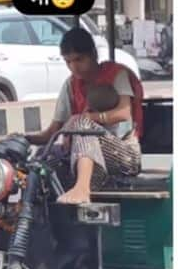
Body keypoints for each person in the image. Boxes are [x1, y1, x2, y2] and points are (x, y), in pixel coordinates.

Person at [25, 28, 143, 204]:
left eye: (79, 59)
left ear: (93, 54)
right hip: (81, 157)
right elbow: (52, 133)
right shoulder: (70, 85)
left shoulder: (117, 75)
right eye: (68, 62)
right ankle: (29, 209)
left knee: (81, 123)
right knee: (42, 158)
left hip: (124, 155)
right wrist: (24, 139)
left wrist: (88, 118)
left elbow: (124, 113)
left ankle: (82, 188)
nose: (74, 67)